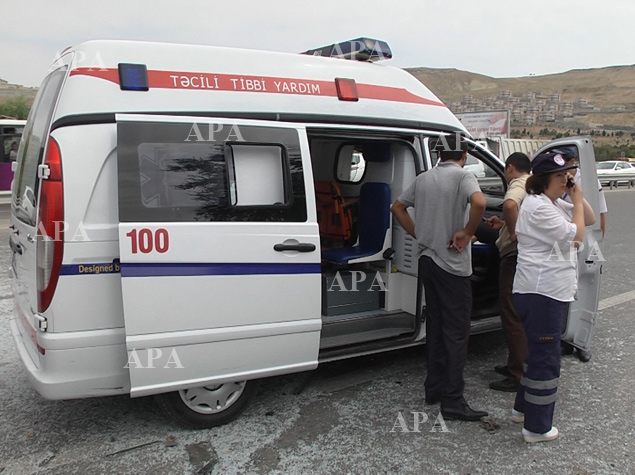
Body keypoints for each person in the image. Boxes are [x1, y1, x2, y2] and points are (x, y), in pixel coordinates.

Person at [391, 134, 488, 422]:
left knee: (435, 326)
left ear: (438, 153)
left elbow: (397, 207)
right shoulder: (462, 177)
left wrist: (418, 233)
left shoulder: (423, 178)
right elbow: (480, 203)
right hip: (452, 266)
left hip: (427, 262)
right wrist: (468, 232)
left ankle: (433, 388)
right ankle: (453, 400)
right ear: (465, 153)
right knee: (456, 333)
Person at [512, 151, 595, 443]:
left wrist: (576, 195)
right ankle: (537, 428)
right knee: (546, 358)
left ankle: (522, 409)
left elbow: (590, 217)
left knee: (537, 353)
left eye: (568, 174)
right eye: (561, 175)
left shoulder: (550, 202)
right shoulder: (539, 207)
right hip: (541, 292)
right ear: (544, 179)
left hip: (546, 291)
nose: (566, 179)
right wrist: (573, 202)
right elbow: (577, 236)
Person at [485, 152, 531, 392]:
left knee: (511, 314)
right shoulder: (533, 184)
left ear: (510, 167)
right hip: (526, 256)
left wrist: (512, 233)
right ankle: (516, 362)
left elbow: (511, 204)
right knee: (518, 313)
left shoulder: (517, 185)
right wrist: (504, 225)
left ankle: (517, 375)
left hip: (513, 256)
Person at [556, 146, 607, 363]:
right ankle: (565, 337)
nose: (566, 167)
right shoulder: (556, 179)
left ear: (574, 161)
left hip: (587, 239)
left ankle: (583, 340)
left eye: (569, 162)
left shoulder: (589, 181)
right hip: (562, 240)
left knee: (588, 287)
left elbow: (601, 211)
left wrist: (598, 242)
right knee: (564, 286)